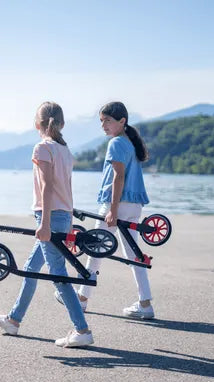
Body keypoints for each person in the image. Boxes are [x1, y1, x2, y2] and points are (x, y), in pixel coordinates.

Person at [0, 101, 94, 348]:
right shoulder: (64, 150)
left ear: (37, 124)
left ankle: (82, 330)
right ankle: (13, 320)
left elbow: (47, 187)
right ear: (62, 124)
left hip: (50, 217)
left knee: (58, 275)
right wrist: (67, 221)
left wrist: (44, 223)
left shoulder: (42, 148)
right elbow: (67, 188)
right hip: (62, 215)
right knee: (30, 268)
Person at [54, 101, 155, 319]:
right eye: (101, 121)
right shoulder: (130, 142)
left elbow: (119, 177)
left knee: (94, 248)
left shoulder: (116, 143)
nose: (103, 125)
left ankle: (82, 299)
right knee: (134, 254)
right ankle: (145, 303)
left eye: (107, 120)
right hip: (134, 204)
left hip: (115, 204)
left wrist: (113, 210)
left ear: (122, 121)